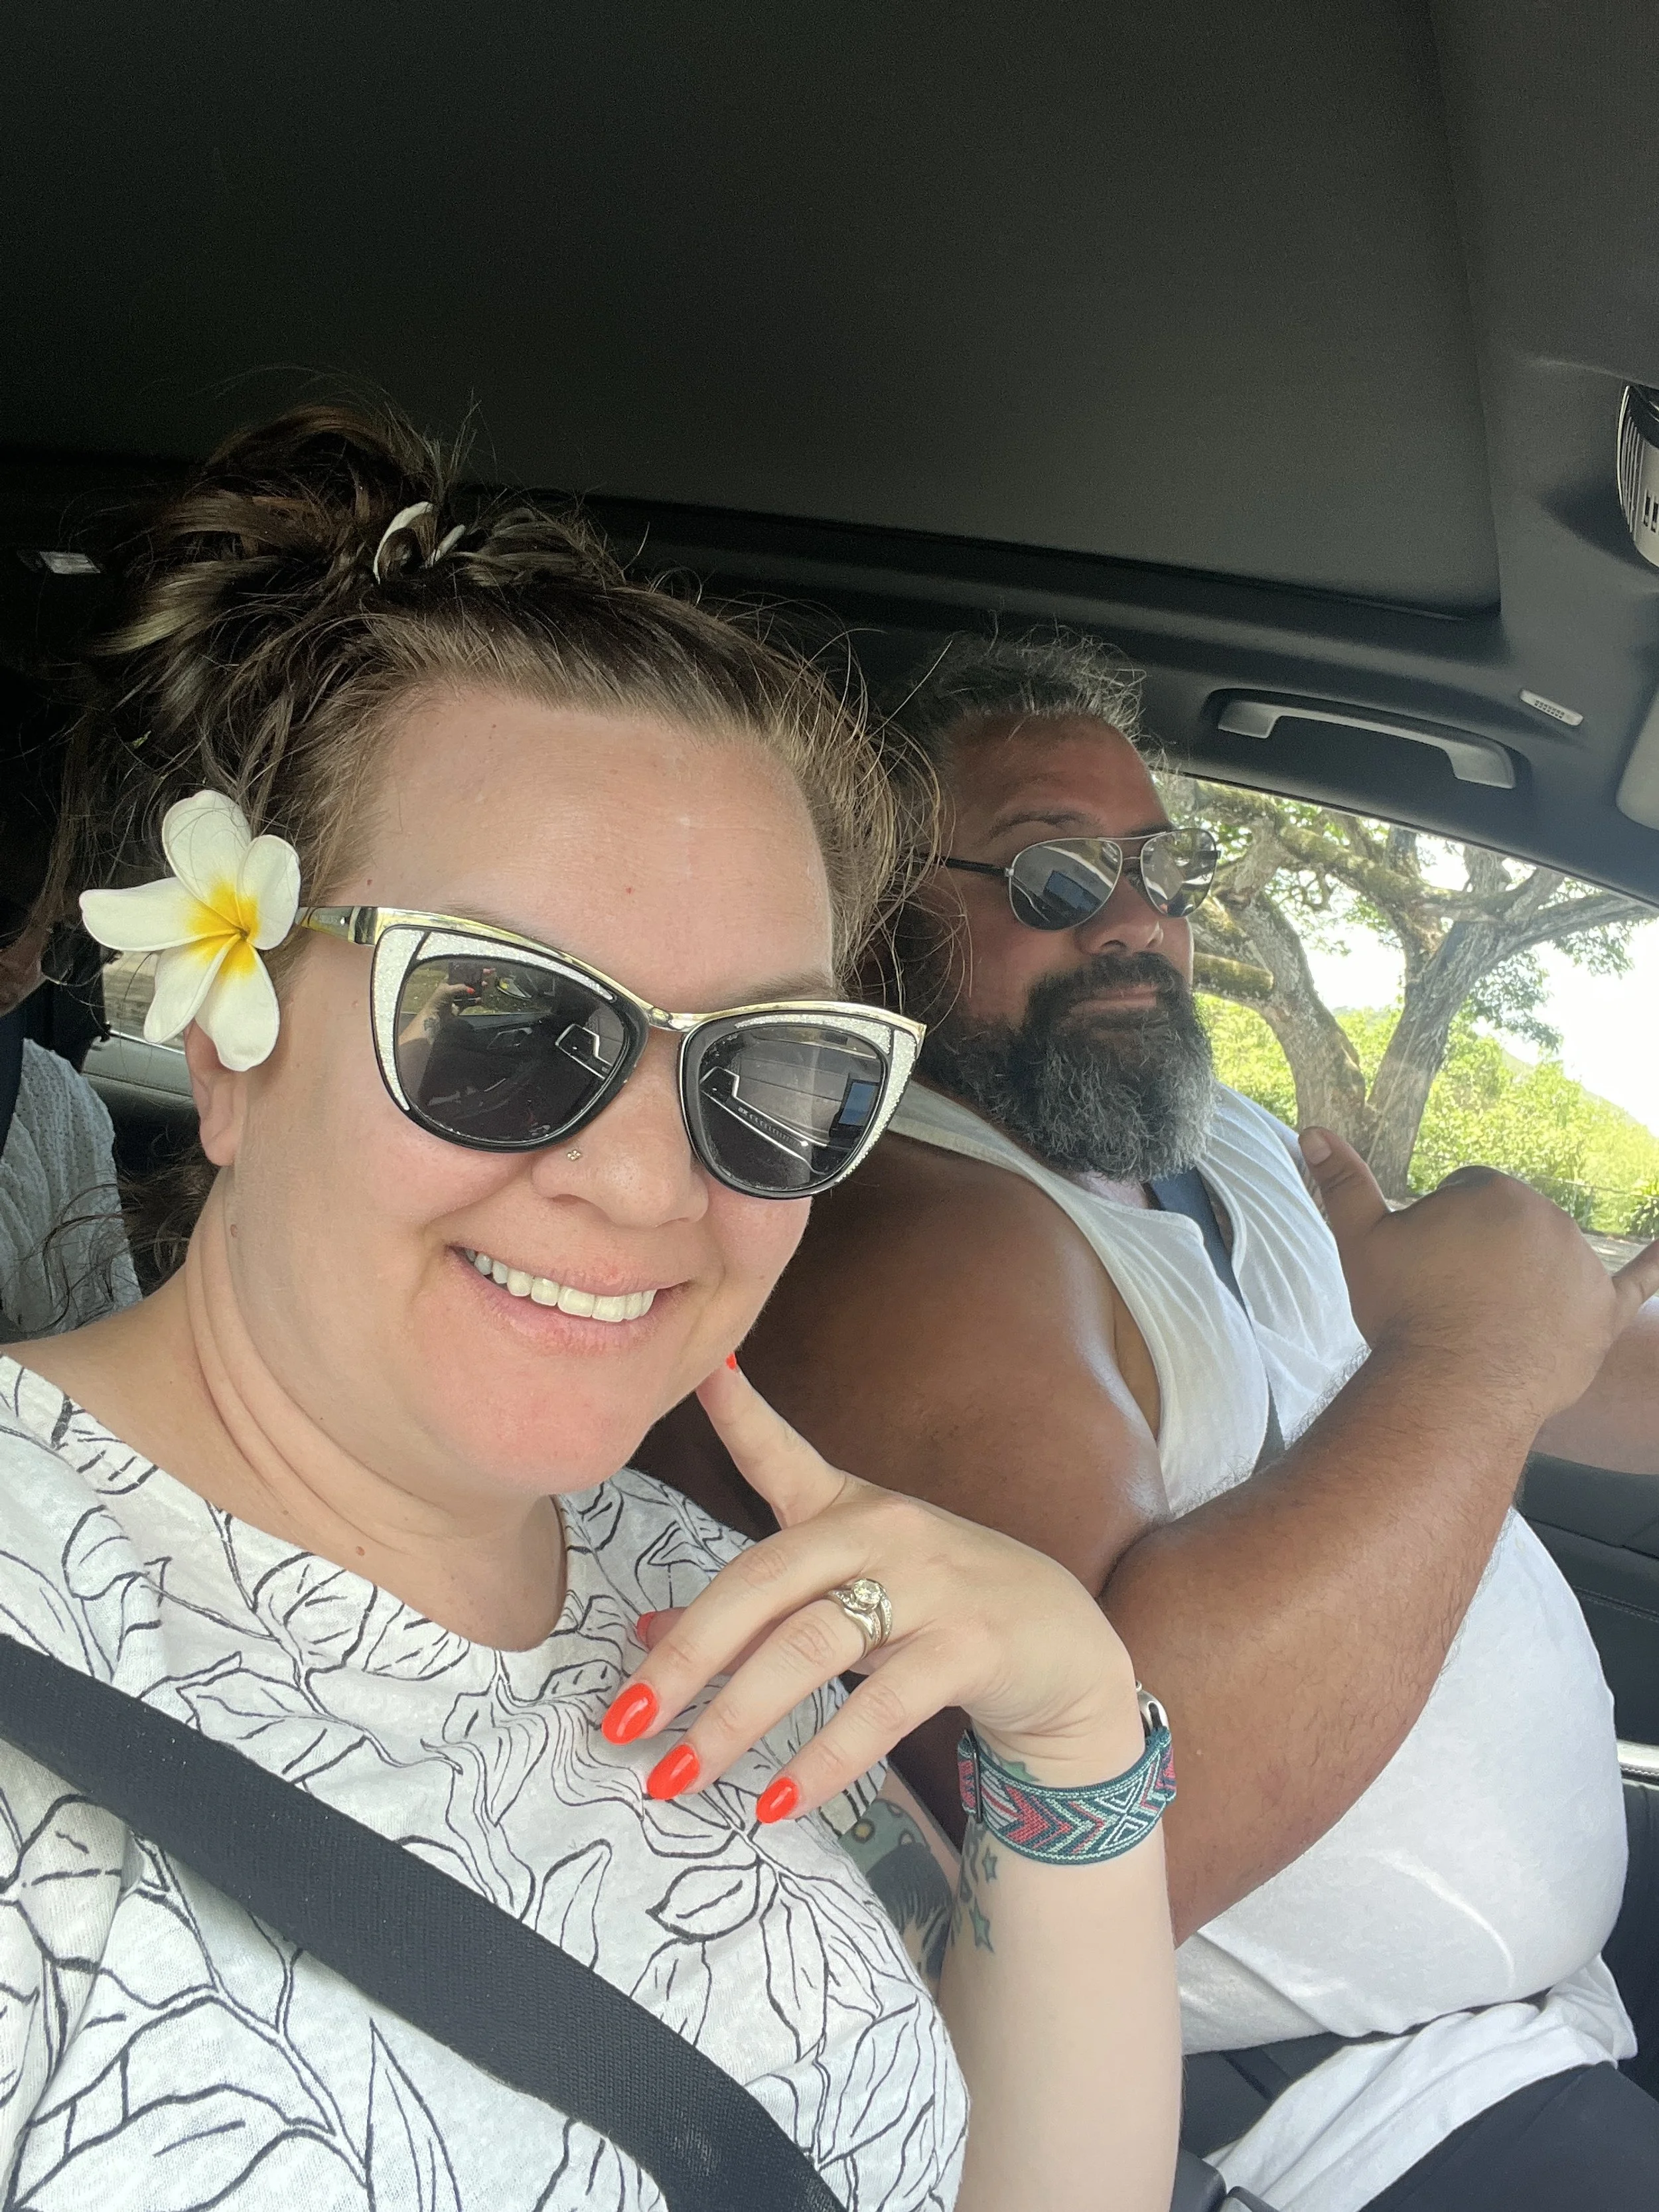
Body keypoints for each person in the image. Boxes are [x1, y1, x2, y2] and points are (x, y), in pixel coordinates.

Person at [0, 413, 1187, 2212]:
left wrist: (1074, 1732)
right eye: (495, 1017)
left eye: (770, 1065)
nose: (649, 1186)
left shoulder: (713, 1598)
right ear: (229, 1046)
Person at [638, 631, 1659, 2212]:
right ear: (872, 906)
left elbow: (1539, 1356)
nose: (1137, 928)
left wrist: (1508, 1337)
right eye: (1051, 878)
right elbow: (1105, 1847)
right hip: (1330, 2136)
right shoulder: (929, 1242)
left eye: (1155, 872)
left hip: (1521, 2040)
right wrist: (1467, 1353)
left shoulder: (1212, 1137)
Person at [0, 669, 138, 1339]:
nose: (25, 966)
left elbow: (101, 1332)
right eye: (5, 914)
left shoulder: (54, 1106)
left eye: (62, 938)